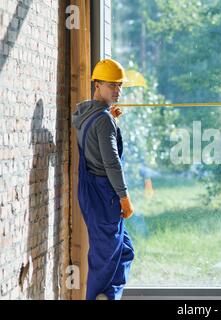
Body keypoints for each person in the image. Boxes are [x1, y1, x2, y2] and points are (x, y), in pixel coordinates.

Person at [72, 58, 135, 300]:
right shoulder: (103, 120)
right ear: (97, 85)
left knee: (125, 251)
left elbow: (96, 146)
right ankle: (99, 296)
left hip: (89, 192)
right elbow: (111, 163)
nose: (117, 91)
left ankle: (108, 297)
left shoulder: (87, 114)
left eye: (120, 86)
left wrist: (110, 119)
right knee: (104, 258)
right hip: (105, 195)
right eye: (112, 85)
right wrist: (124, 197)